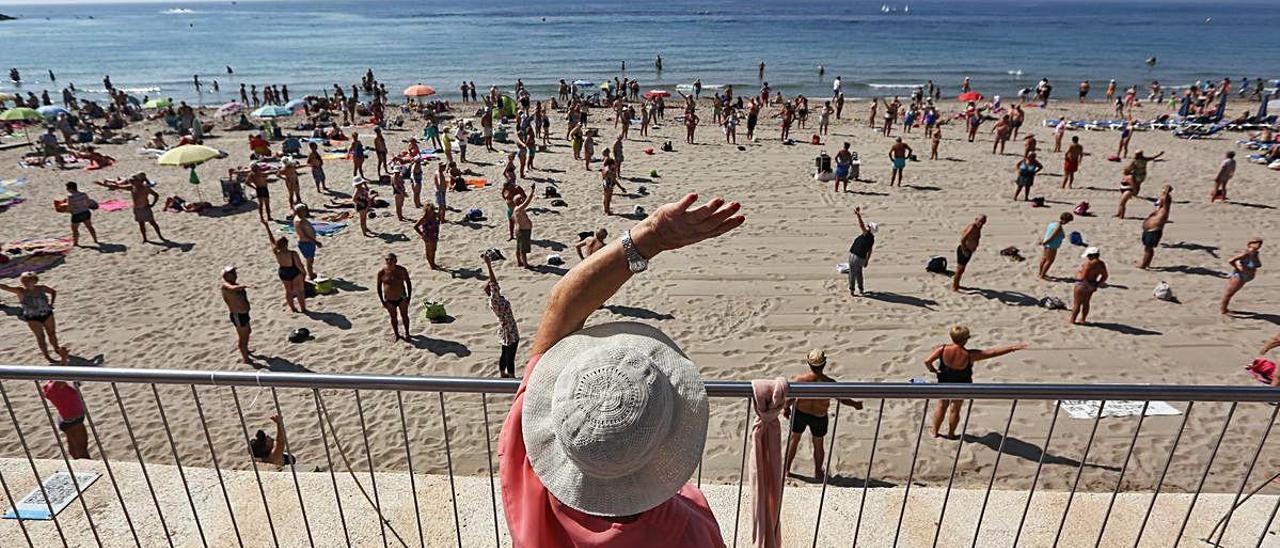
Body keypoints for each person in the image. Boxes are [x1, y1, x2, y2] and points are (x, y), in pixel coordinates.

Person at [500, 192, 741, 547]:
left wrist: (648, 237)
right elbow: (563, 307)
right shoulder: (687, 532)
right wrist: (652, 237)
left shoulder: (529, 475)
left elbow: (562, 307)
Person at [924, 326, 1027, 438]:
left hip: (945, 381)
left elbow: (927, 361)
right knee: (955, 409)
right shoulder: (970, 355)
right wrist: (1011, 348)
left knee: (942, 405)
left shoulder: (942, 349)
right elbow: (992, 352)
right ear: (966, 339)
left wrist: (933, 370)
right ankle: (951, 434)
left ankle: (934, 431)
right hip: (962, 384)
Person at [783, 350, 862, 481]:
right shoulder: (829, 383)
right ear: (824, 364)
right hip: (818, 416)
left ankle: (786, 469)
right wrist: (855, 404)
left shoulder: (801, 380)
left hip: (800, 413)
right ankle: (818, 472)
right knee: (818, 445)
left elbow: (790, 398)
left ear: (809, 363)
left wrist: (786, 408)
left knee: (793, 440)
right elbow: (842, 398)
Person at [1, 273, 65, 363]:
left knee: (52, 333)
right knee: (40, 337)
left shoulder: (41, 288)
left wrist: (51, 303)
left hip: (47, 314)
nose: (25, 283)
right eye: (23, 281)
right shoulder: (21, 291)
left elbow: (53, 292)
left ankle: (56, 349)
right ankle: (47, 356)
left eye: (28, 281)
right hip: (32, 317)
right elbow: (6, 287)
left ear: (35, 281)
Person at [483, 255, 520, 378]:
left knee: (505, 353)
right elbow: (494, 282)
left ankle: (503, 373)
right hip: (508, 329)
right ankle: (511, 376)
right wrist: (489, 265)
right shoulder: (495, 300)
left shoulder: (496, 300)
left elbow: (494, 283)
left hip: (508, 328)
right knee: (510, 355)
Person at [260, 219, 307, 313]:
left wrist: (267, 227)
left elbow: (271, 240)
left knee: (288, 291)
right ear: (286, 244)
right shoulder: (293, 253)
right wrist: (304, 273)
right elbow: (299, 265)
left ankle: (293, 308)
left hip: (283, 271)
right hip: (293, 271)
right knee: (300, 291)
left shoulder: (276, 252)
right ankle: (303, 309)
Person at [42, 379, 90, 459]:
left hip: (66, 418)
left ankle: (78, 465)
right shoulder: (56, 386)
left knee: (74, 448)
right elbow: (62, 376)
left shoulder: (49, 386)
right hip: (74, 420)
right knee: (82, 449)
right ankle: (87, 468)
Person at [220, 266, 254, 364]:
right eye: (232, 273)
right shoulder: (226, 286)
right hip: (238, 315)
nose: (235, 274)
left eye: (235, 272)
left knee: (248, 332)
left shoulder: (235, 284)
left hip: (244, 313)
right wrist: (245, 286)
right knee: (243, 337)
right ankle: (245, 358)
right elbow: (232, 288)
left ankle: (246, 350)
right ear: (226, 276)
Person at [1221, 238, 1263, 315]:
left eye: (1260, 244)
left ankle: (1224, 309)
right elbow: (1231, 260)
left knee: (1231, 293)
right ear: (1250, 244)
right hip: (1240, 276)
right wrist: (1238, 268)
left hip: (1247, 276)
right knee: (1229, 294)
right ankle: (1223, 310)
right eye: (1255, 243)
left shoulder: (1255, 253)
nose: (1258, 245)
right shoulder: (1246, 253)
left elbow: (1257, 264)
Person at [1116, 150, 1163, 218]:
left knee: (1135, 183)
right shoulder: (1144, 159)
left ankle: (1134, 193)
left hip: (1137, 175)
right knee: (1138, 184)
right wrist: (1159, 154)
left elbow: (1130, 168)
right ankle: (1135, 193)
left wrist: (1127, 170)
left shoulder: (1135, 161)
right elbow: (1152, 158)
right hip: (1142, 174)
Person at [376, 252, 413, 341]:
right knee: (393, 317)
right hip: (389, 299)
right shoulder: (382, 272)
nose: (389, 261)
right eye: (387, 260)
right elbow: (378, 287)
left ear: (395, 261)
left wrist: (409, 297)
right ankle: (397, 334)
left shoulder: (402, 270)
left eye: (391, 260)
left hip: (402, 297)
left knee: (404, 316)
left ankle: (407, 333)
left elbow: (408, 283)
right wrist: (382, 301)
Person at [1071, 247, 1109, 325]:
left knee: (1077, 304)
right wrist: (1097, 284)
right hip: (1092, 284)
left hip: (1081, 285)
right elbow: (1105, 276)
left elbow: (1083, 277)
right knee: (1086, 303)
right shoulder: (1101, 264)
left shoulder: (1088, 264)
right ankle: (1083, 319)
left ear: (1091, 255)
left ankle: (1073, 320)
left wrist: (1088, 285)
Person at [1138, 186, 1173, 270]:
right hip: (1148, 230)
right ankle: (1145, 263)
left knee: (1149, 249)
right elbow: (1161, 200)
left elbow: (1166, 199)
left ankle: (1144, 265)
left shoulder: (1165, 209)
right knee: (1147, 248)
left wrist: (1166, 192)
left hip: (1154, 230)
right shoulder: (1158, 209)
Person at [847, 207, 877, 296]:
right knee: (859, 274)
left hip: (854, 256)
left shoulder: (866, 234)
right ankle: (861, 290)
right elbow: (870, 251)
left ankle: (852, 290)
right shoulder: (872, 239)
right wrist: (867, 261)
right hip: (861, 258)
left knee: (852, 274)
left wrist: (858, 215)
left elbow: (861, 225)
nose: (867, 227)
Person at [953, 215, 986, 291]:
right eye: (980, 221)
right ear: (976, 219)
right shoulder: (972, 227)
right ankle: (954, 287)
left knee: (962, 270)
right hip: (964, 250)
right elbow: (963, 239)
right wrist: (964, 250)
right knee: (959, 269)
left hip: (969, 250)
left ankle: (957, 284)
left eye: (983, 222)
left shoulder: (978, 228)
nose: (981, 223)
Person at [129, 173, 164, 242]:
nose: (132, 182)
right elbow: (117, 186)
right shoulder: (132, 188)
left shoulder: (145, 188)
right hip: (137, 209)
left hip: (145, 208)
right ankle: (145, 238)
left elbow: (156, 195)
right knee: (141, 224)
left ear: (138, 181)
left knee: (152, 223)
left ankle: (160, 236)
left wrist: (152, 204)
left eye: (133, 181)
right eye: (131, 181)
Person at [64, 182, 101, 247]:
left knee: (74, 229)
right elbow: (88, 203)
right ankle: (95, 240)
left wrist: (66, 211)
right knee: (89, 226)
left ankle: (76, 243)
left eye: (67, 188)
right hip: (86, 212)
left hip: (77, 214)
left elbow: (70, 207)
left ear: (70, 188)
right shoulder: (83, 194)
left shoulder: (70, 197)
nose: (67, 189)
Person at [1038, 212, 1073, 279]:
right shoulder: (1058, 227)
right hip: (1052, 245)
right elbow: (1052, 236)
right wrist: (1045, 242)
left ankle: (1040, 273)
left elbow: (1048, 233)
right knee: (1049, 260)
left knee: (1044, 258)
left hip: (1047, 244)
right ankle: (1042, 275)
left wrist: (1044, 241)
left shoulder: (1053, 223)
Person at [291, 204, 322, 279]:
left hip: (307, 242)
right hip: (306, 242)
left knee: (310, 259)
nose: (306, 212)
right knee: (309, 260)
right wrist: (315, 241)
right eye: (304, 210)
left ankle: (310, 273)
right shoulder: (300, 221)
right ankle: (310, 275)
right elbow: (304, 235)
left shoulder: (298, 218)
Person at [513, 183, 536, 268]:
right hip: (523, 231)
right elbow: (527, 202)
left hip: (520, 230)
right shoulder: (519, 208)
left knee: (519, 247)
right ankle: (525, 265)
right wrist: (532, 191)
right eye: (521, 199)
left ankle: (519, 262)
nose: (523, 200)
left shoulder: (516, 209)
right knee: (523, 249)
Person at [412, 203, 441, 270]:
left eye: (432, 210)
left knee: (434, 250)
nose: (431, 212)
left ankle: (433, 263)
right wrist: (422, 235)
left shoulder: (435, 215)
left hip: (435, 234)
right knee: (429, 251)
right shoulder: (424, 218)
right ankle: (431, 265)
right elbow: (415, 227)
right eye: (429, 211)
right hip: (427, 236)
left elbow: (440, 218)